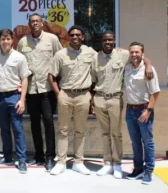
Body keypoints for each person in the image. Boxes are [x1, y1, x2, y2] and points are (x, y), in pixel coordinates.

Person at [91, 31, 153, 179]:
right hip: (99, 99)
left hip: (115, 99)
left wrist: (149, 65)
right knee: (104, 133)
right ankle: (107, 163)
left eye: (110, 40)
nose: (107, 42)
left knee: (116, 134)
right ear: (102, 41)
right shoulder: (95, 57)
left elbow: (141, 57)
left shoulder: (123, 54)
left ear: (114, 41)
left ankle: (117, 164)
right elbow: (93, 81)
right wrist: (92, 102)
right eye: (105, 40)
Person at [48, 25, 96, 176]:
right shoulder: (60, 54)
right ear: (68, 37)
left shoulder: (91, 53)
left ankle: (78, 162)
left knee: (80, 131)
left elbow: (103, 63)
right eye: (72, 35)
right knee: (63, 130)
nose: (75, 37)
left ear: (82, 37)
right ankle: (61, 162)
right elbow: (51, 76)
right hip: (66, 95)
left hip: (83, 96)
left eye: (78, 35)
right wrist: (59, 94)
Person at [17, 13, 62, 171]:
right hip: (30, 90)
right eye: (32, 21)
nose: (35, 23)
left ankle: (50, 157)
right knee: (35, 124)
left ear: (42, 23)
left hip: (47, 89)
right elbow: (18, 64)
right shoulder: (23, 42)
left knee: (49, 123)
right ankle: (38, 156)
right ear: (29, 24)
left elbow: (60, 59)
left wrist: (58, 86)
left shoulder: (52, 39)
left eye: (37, 21)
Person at [0, 29, 29, 173]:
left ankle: (22, 160)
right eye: (2, 39)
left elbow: (25, 78)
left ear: (12, 40)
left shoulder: (19, 57)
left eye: (8, 39)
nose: (5, 41)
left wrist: (22, 100)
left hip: (14, 97)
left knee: (18, 130)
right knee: (4, 130)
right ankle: (7, 157)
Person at [124, 42, 160, 185]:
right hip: (130, 110)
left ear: (142, 53)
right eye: (132, 52)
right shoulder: (127, 67)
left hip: (144, 110)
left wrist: (148, 111)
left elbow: (155, 92)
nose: (134, 54)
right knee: (135, 142)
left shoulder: (149, 70)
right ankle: (138, 168)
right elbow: (117, 49)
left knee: (147, 142)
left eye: (137, 52)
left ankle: (149, 171)